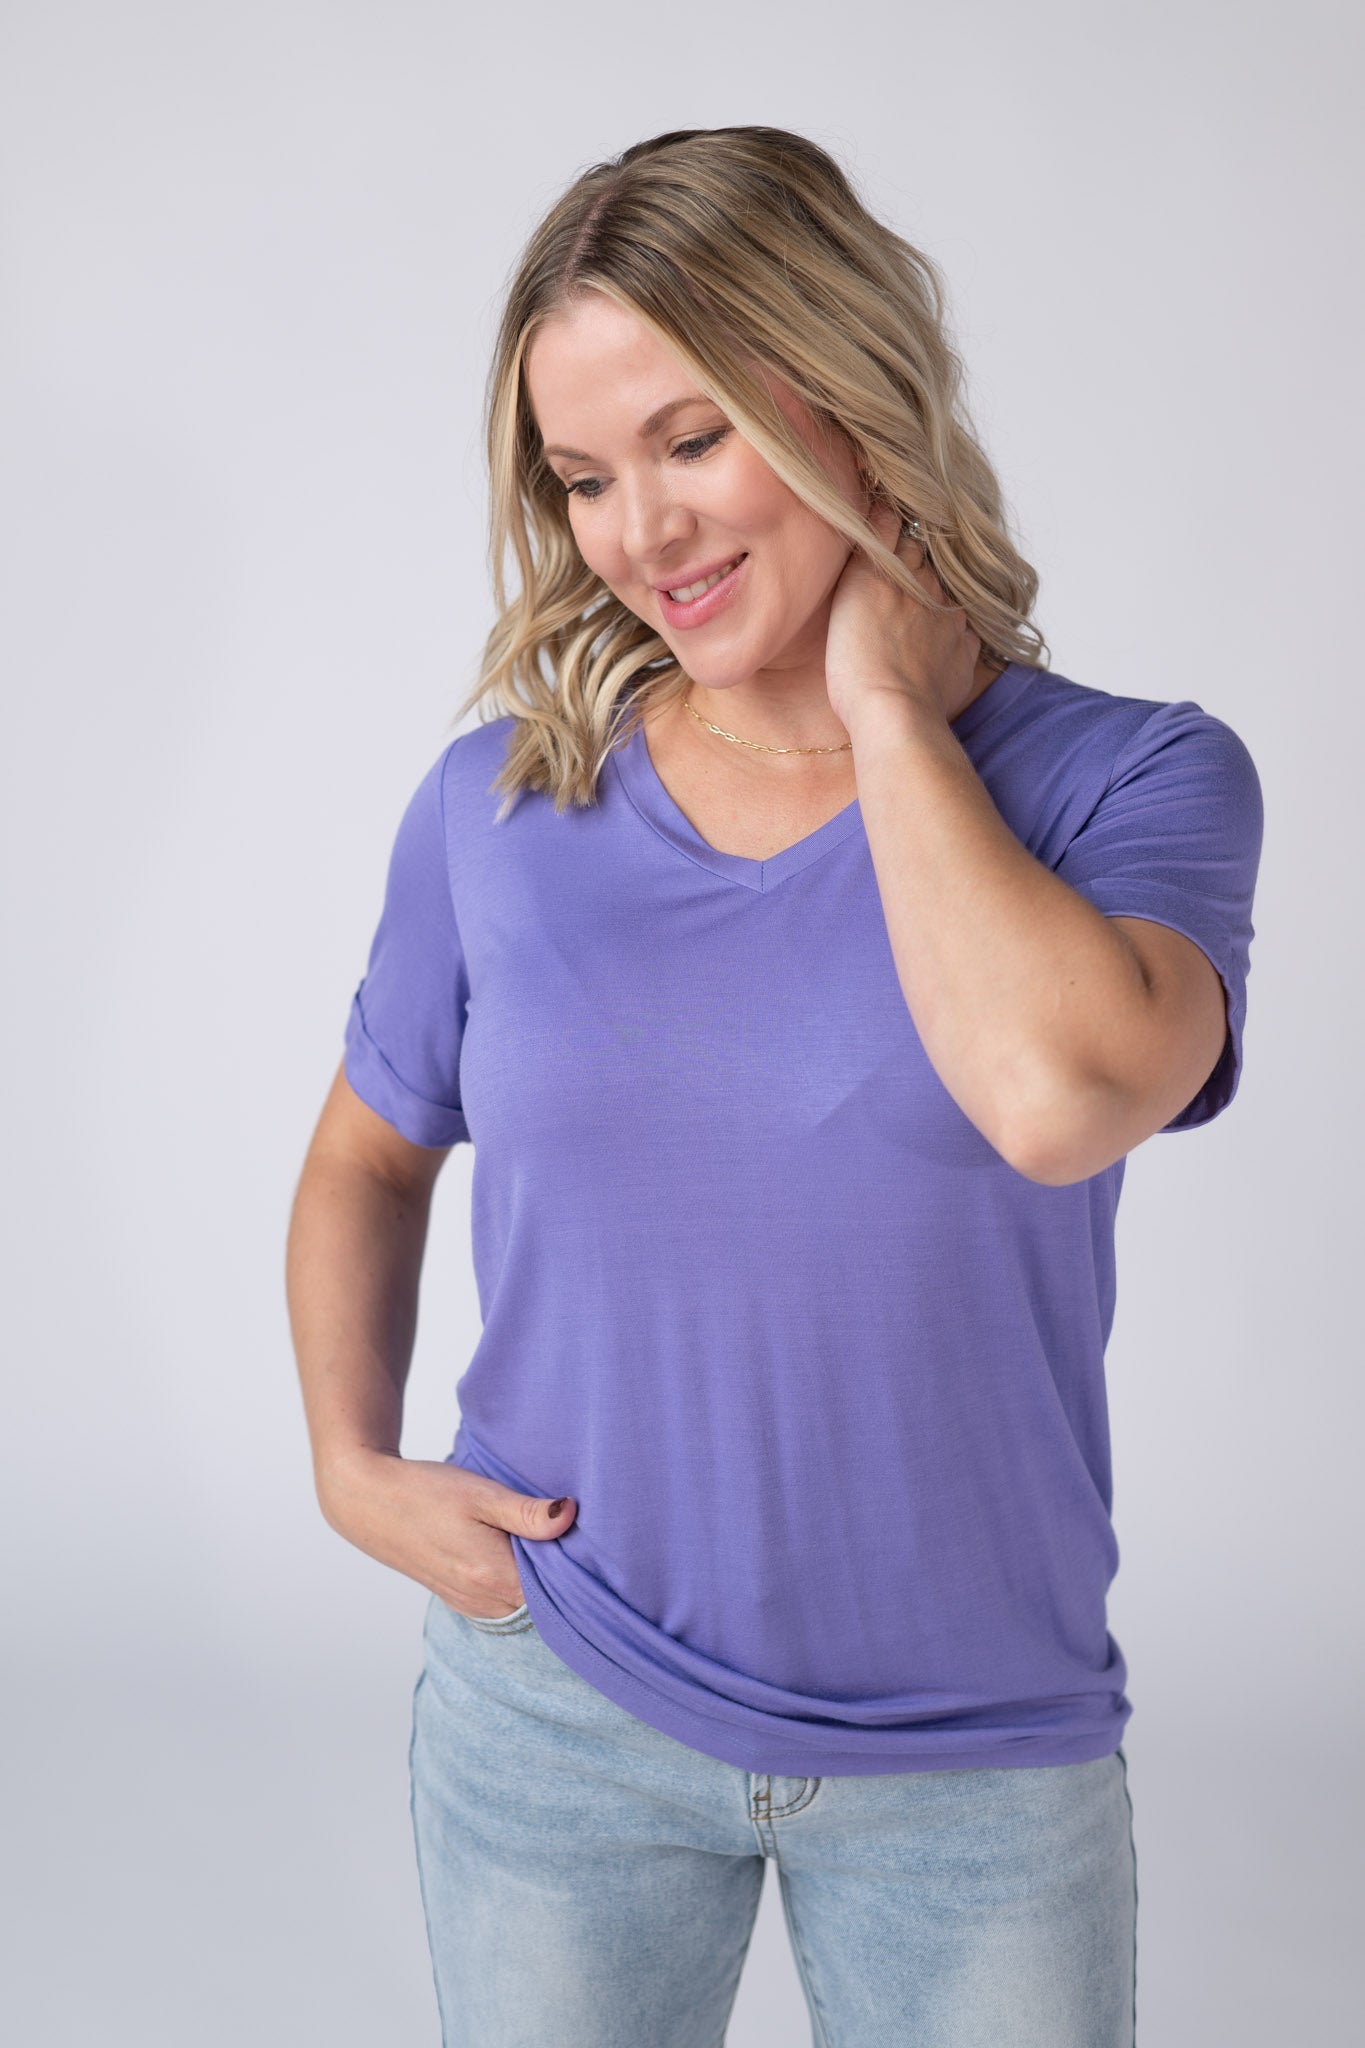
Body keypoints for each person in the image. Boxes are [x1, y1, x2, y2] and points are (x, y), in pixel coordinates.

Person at [285, 126, 1264, 2048]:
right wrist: (348, 1464)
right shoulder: (505, 804)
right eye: (582, 478)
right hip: (557, 1710)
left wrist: (890, 710)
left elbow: (1053, 1097)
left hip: (974, 1767)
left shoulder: (1134, 784)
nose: (638, 534)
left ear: (849, 395)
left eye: (691, 439)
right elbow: (364, 1158)